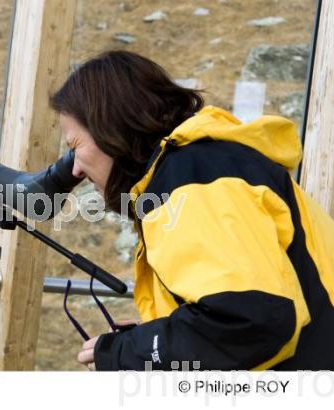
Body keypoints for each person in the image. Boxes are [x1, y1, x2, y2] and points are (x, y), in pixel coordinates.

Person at [49, 50, 334, 371]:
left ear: (109, 127)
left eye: (75, 147)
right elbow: (234, 313)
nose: (75, 170)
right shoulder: (206, 167)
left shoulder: (195, 178)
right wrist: (151, 337)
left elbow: (252, 320)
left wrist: (130, 352)